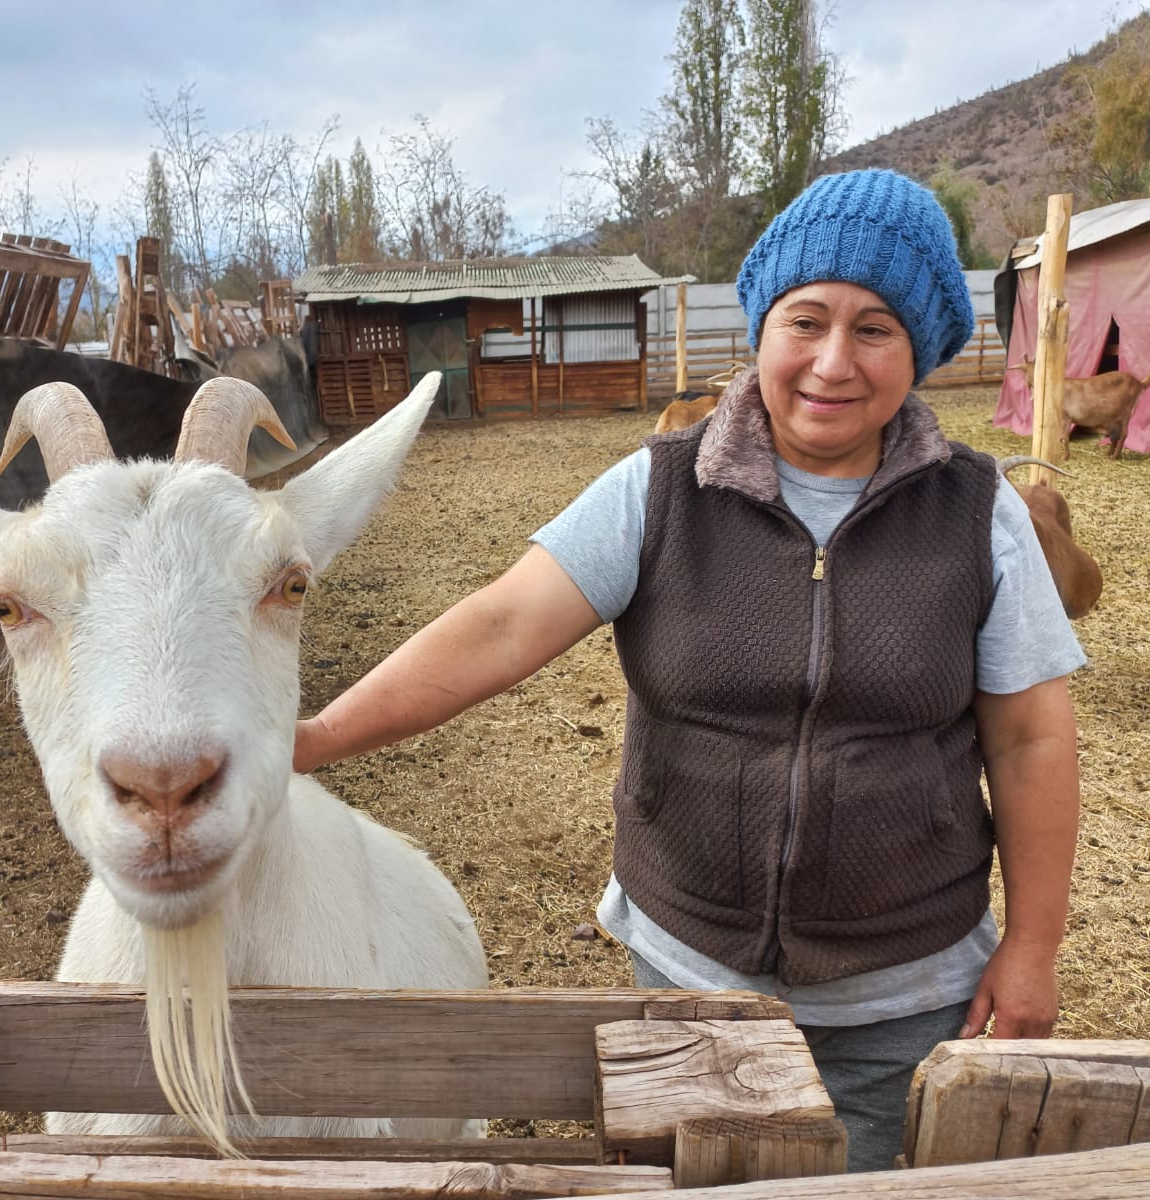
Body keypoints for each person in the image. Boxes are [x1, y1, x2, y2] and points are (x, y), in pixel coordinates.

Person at [293, 168, 1083, 1173]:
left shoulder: (977, 514)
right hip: (688, 966)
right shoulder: (661, 491)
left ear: (919, 348)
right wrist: (317, 738)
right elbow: (499, 626)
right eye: (807, 320)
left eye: (875, 329)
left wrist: (1031, 949)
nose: (833, 362)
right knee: (683, 1178)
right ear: (760, 326)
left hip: (906, 989)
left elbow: (1029, 739)